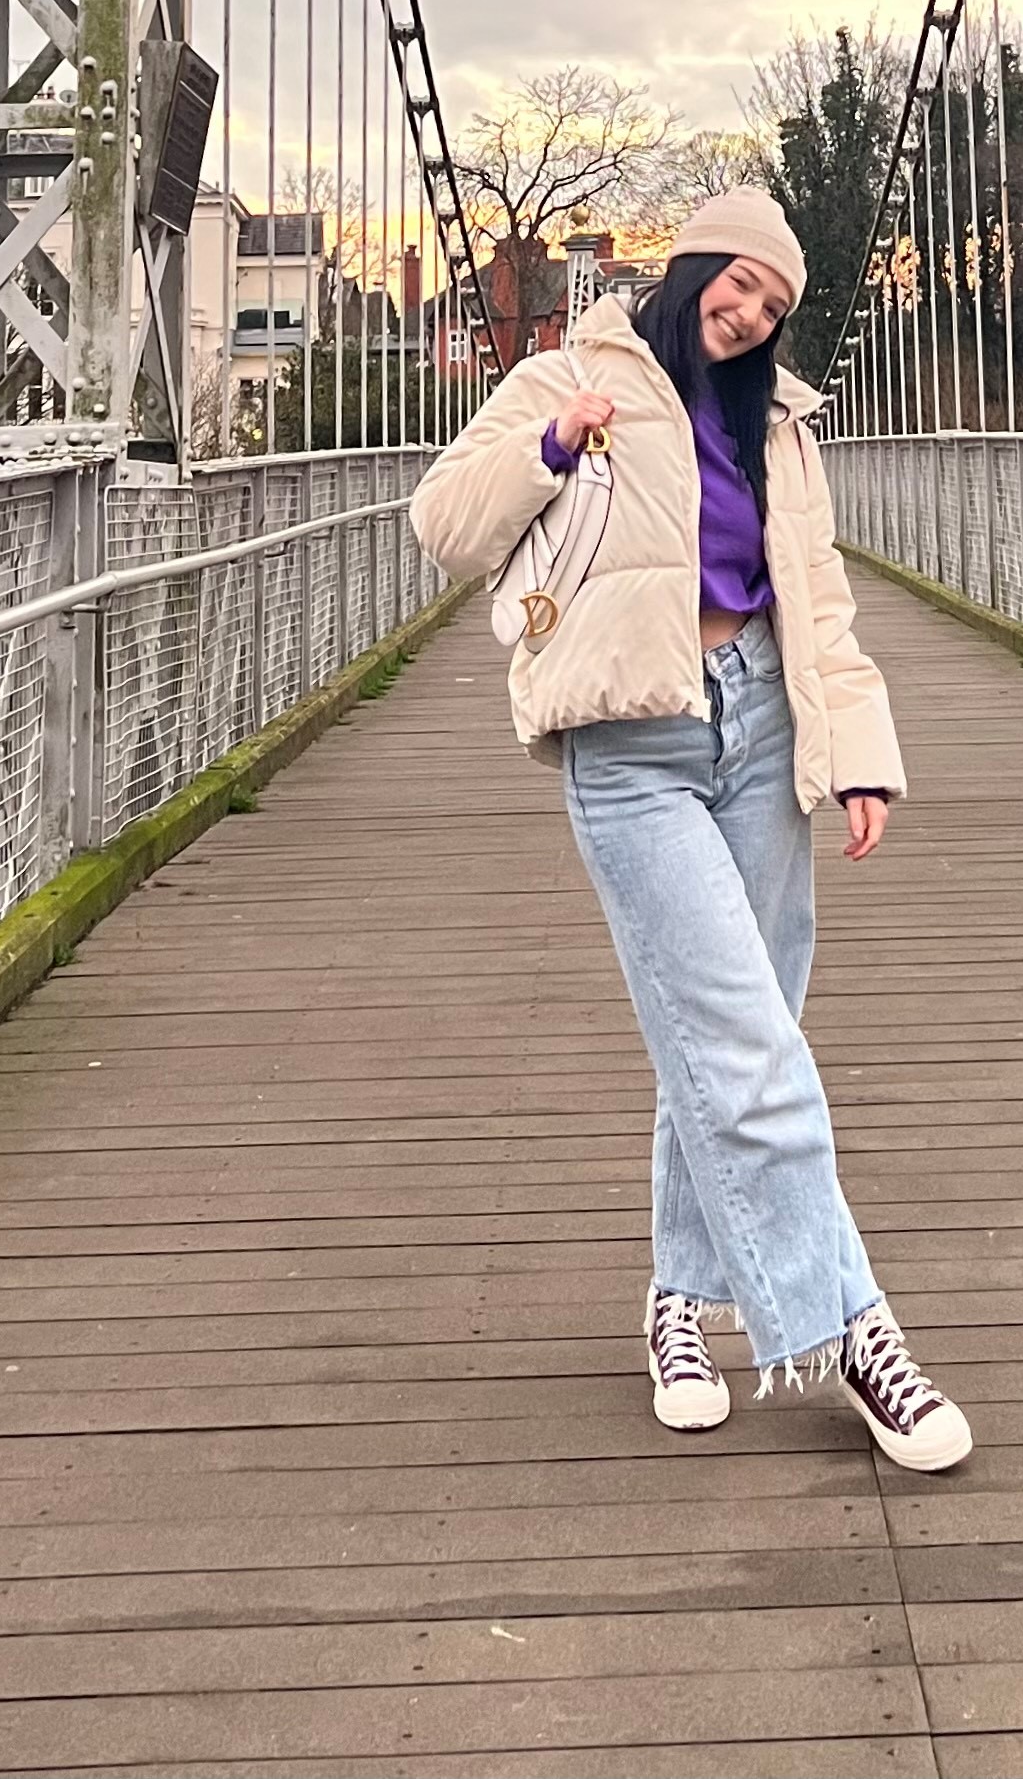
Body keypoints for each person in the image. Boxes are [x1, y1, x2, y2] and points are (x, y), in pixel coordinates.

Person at [410, 190, 973, 1470]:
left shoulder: (776, 422)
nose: (749, 314)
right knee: (743, 1047)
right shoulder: (570, 372)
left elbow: (816, 599)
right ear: (695, 265)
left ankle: (680, 1301)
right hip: (632, 746)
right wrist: (551, 445)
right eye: (739, 286)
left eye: (775, 307)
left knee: (733, 1033)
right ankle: (853, 1330)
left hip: (764, 728)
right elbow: (443, 525)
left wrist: (861, 752)